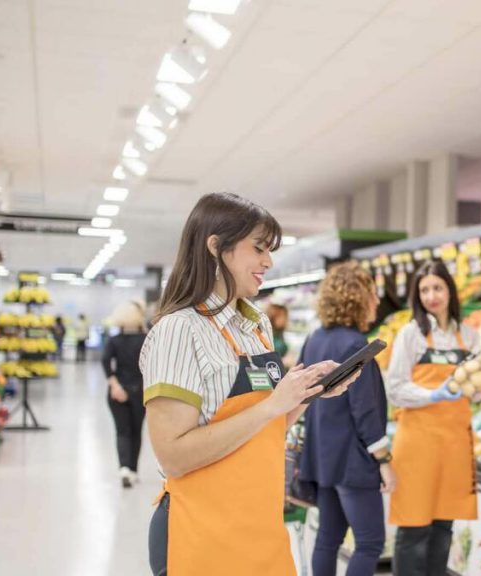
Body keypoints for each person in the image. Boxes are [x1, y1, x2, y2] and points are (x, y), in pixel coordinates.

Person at [141, 192, 358, 576]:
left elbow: (265, 430)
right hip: (202, 533)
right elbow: (173, 456)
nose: (268, 261)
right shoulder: (179, 331)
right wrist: (272, 405)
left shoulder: (255, 325)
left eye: (269, 250)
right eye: (258, 248)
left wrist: (306, 394)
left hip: (260, 528)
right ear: (216, 247)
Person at [299, 262, 395, 576]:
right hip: (353, 460)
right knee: (370, 542)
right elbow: (365, 410)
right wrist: (384, 460)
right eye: (372, 294)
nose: (377, 301)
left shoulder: (314, 339)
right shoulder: (355, 345)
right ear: (357, 298)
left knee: (328, 538)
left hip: (322, 457)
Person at [386, 260, 479, 576]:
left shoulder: (469, 336)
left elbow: (477, 392)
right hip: (418, 442)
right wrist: (431, 395)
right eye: (424, 290)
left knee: (443, 526)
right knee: (414, 527)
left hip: (454, 443)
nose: (431, 296)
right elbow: (395, 388)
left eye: (437, 288)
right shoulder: (410, 335)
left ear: (450, 290)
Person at [101, 300, 148, 488]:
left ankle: (124, 468)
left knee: (122, 431)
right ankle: (133, 470)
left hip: (117, 391)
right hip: (140, 391)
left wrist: (115, 386)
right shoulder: (146, 339)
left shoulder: (114, 340)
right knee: (136, 431)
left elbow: (106, 362)